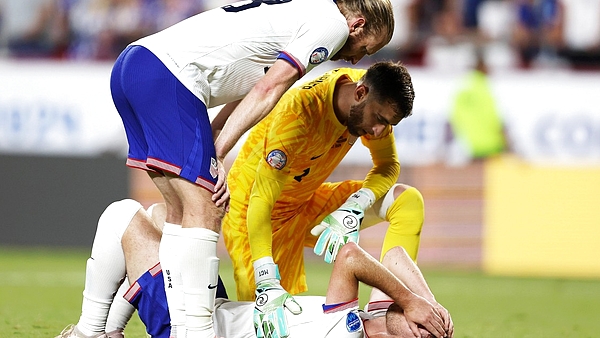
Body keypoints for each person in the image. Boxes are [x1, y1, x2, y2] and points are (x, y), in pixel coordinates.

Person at [109, 0, 395, 337]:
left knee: (180, 210)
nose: (357, 59)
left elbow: (249, 84)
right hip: (171, 76)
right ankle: (197, 331)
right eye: (366, 47)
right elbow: (267, 89)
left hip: (136, 64)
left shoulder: (303, 15)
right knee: (207, 207)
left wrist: (214, 134)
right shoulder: (332, 26)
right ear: (357, 25)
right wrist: (217, 154)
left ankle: (99, 327)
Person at [218, 61, 446, 336]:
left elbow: (388, 165)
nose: (378, 131)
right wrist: (266, 279)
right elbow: (261, 200)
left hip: (306, 202)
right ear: (360, 93)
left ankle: (385, 309)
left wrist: (354, 206)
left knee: (406, 201)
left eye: (386, 124)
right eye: (379, 120)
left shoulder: (372, 92)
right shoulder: (298, 114)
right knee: (267, 325)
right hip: (255, 215)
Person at [57, 199, 454, 338]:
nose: (420, 322)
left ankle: (88, 333)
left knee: (122, 216)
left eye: (422, 330)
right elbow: (396, 260)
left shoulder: (349, 332)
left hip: (193, 328)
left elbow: (350, 256)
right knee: (164, 216)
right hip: (220, 313)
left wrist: (409, 301)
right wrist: (429, 309)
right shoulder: (376, 318)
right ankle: (111, 331)